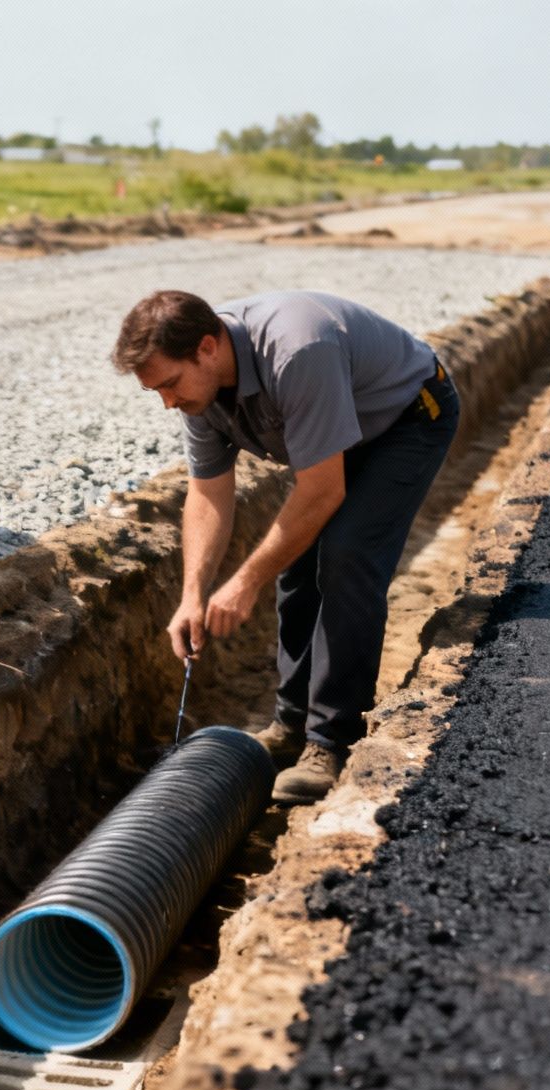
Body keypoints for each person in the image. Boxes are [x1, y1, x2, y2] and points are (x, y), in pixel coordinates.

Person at [112, 290, 458, 803]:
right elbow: (208, 495)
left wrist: (244, 582)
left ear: (207, 348)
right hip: (341, 431)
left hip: (405, 418)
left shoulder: (297, 352)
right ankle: (293, 725)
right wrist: (192, 596)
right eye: (155, 391)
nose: (168, 402)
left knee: (345, 556)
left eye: (169, 384)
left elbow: (323, 491)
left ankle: (333, 740)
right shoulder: (200, 391)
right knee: (297, 564)